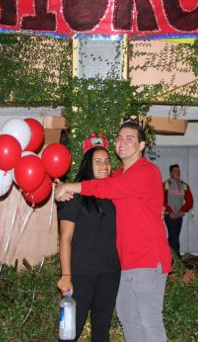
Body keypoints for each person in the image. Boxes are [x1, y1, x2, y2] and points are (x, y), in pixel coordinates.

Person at [55, 120, 172, 342]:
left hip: (147, 260)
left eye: (130, 138)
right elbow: (100, 185)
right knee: (128, 318)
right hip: (124, 265)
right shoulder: (117, 175)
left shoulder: (147, 171)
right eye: (119, 137)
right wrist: (62, 189)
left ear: (141, 146)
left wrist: (69, 186)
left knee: (149, 320)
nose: (123, 142)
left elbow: (108, 188)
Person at [57, 135, 120, 342]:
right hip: (80, 273)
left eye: (107, 160)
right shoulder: (73, 196)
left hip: (109, 273)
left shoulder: (114, 196)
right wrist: (66, 275)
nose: (105, 165)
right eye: (98, 161)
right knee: (69, 333)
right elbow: (65, 238)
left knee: (101, 332)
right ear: (88, 164)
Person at [163, 164, 194, 257]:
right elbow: (161, 199)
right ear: (171, 173)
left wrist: (182, 211)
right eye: (175, 171)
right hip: (169, 215)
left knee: (173, 236)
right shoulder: (166, 184)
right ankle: (177, 258)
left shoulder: (184, 185)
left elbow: (190, 200)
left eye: (179, 171)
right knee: (174, 236)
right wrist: (170, 212)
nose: (178, 172)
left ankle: (168, 256)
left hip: (179, 214)